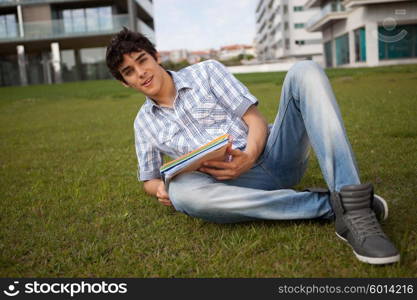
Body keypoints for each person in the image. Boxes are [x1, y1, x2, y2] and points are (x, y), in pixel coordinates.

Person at [106, 28, 400, 265]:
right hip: (232, 186)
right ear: (124, 83)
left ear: (156, 56)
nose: (140, 72)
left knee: (304, 70)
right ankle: (335, 207)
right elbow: (149, 177)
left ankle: (353, 203)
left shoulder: (206, 72)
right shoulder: (143, 123)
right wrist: (160, 189)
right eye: (129, 72)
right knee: (181, 191)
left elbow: (255, 119)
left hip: (275, 154)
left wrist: (249, 155)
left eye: (141, 60)